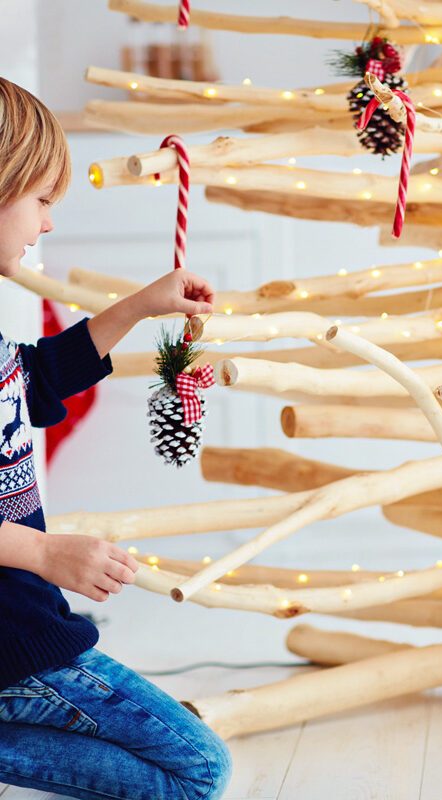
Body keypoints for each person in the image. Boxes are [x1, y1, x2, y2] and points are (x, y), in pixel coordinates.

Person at [0, 76, 233, 799]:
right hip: (15, 638)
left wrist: (138, 306)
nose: (47, 225)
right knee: (199, 772)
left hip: (22, 619)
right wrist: (42, 551)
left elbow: (37, 380)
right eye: (41, 201)